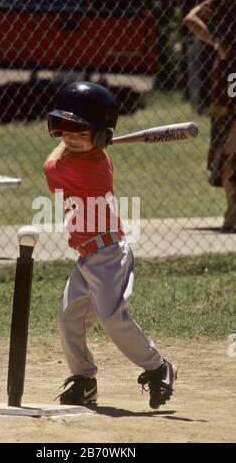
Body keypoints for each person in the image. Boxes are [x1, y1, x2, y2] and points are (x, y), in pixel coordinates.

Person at [43, 81, 177, 409]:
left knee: (112, 317)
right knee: (68, 318)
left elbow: (49, 167)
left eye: (79, 130)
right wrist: (89, 137)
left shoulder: (88, 167)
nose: (70, 136)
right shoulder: (95, 156)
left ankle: (159, 367)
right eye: (63, 128)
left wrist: (70, 143)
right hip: (88, 258)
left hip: (108, 255)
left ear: (102, 136)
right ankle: (84, 380)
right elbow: (70, 149)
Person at [183, 0, 236, 231]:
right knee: (227, 146)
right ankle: (232, 210)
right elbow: (191, 19)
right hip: (230, 77)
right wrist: (216, 42)